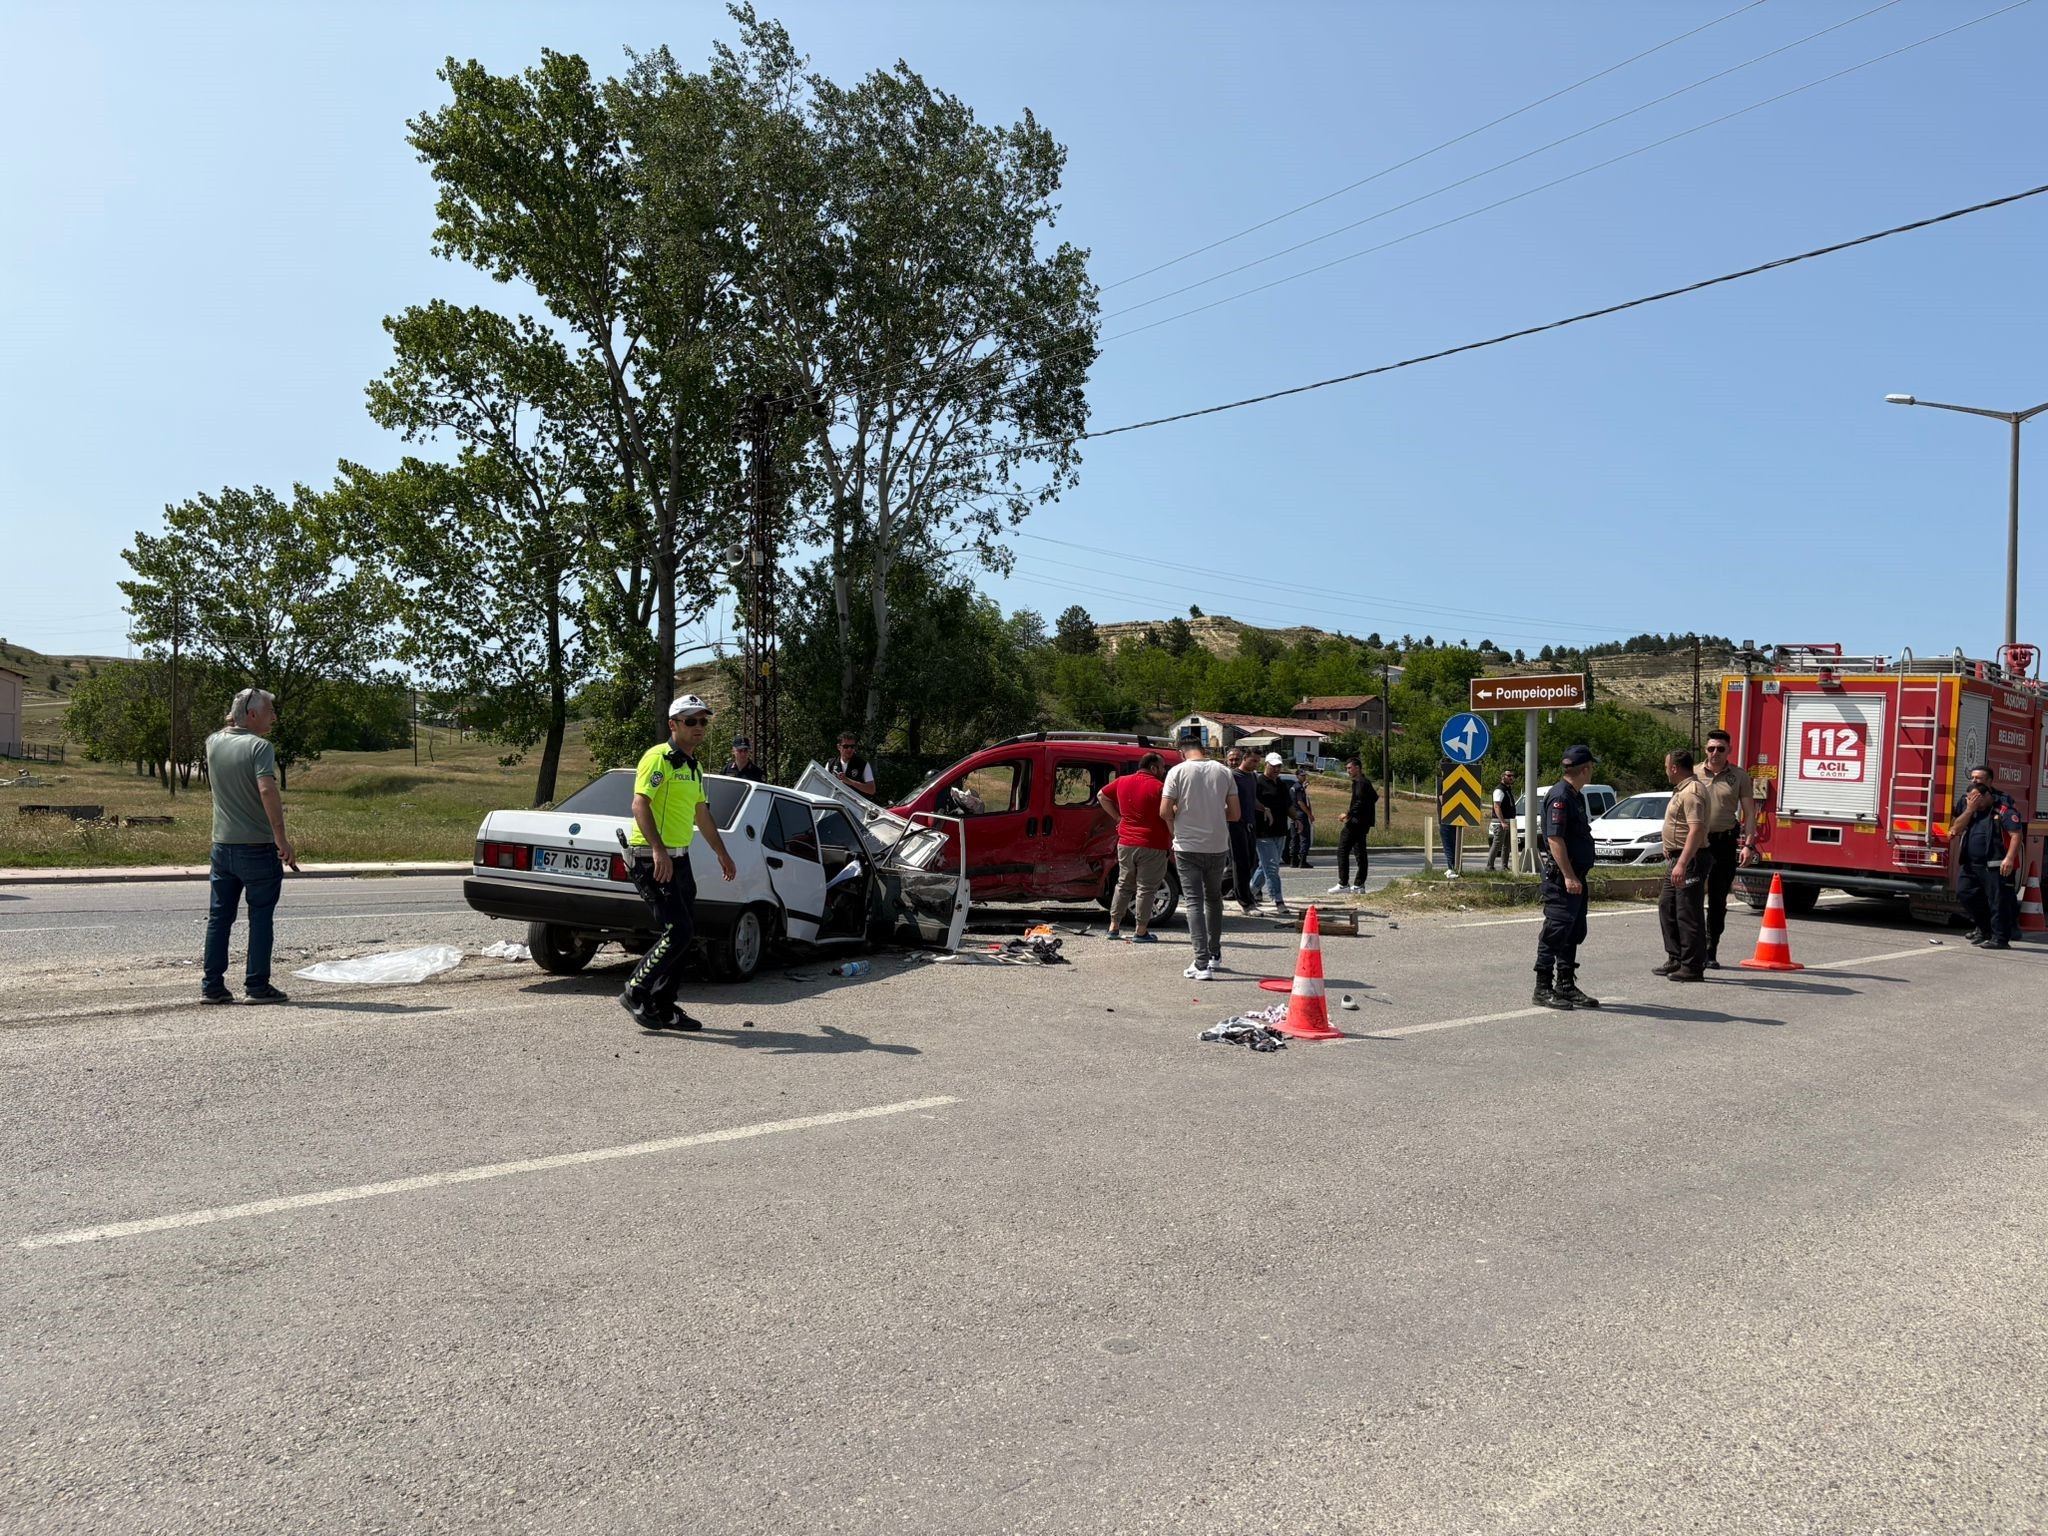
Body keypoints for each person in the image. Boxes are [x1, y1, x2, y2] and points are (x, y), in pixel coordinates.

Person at [622, 695, 739, 1030]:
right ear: (673, 725)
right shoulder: (658, 758)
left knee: (686, 934)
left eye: (703, 721)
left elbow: (702, 814)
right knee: (679, 930)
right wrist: (658, 850)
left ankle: (664, 1005)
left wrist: (722, 852)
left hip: (680, 858)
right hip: (652, 857)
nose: (699, 727)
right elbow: (639, 805)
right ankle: (636, 989)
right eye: (691, 721)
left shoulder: (694, 766)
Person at [201, 687, 299, 1005]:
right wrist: (281, 839)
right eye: (271, 710)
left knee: (220, 917)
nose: (275, 716)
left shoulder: (213, 741)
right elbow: (267, 790)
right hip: (256, 845)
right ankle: (257, 985)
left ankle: (212, 986)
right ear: (253, 714)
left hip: (222, 843)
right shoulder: (260, 747)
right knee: (260, 917)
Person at [1161, 728, 1240, 981]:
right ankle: (1215, 955)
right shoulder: (1224, 771)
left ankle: (1201, 962)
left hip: (1187, 845)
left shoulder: (1177, 771)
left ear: (1180, 752)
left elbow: (1164, 811)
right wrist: (1214, 814)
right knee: (1214, 899)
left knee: (1193, 901)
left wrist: (1178, 819)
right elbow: (1235, 814)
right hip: (1217, 844)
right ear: (1203, 749)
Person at [1533, 744, 1600, 1010]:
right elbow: (1555, 838)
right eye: (1591, 767)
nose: (1591, 771)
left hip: (1576, 878)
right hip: (1563, 880)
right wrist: (1569, 876)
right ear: (1585, 769)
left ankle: (1565, 985)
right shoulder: (1560, 796)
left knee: (1572, 932)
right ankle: (1542, 987)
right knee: (1555, 931)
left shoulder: (1575, 795)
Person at [1693, 729, 1756, 966]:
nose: (1715, 753)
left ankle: (1711, 949)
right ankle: (1692, 947)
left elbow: (1750, 813)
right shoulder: (1694, 773)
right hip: (1697, 842)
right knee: (1692, 896)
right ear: (1705, 750)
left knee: (1718, 899)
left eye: (1720, 749)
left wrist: (1748, 844)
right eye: (1711, 748)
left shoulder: (1739, 776)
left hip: (1724, 842)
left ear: (1729, 750)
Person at [1653, 748, 1714, 981]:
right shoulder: (1682, 789)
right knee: (1667, 906)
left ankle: (1692, 966)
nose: (1666, 770)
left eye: (1666, 766)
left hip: (1690, 859)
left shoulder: (1692, 791)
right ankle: (1676, 957)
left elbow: (1697, 830)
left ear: (1675, 768)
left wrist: (1683, 862)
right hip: (1678, 857)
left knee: (1688, 912)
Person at [1096, 752, 1171, 943]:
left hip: (1126, 841)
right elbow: (1169, 814)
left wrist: (1118, 818)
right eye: (1162, 768)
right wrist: (1174, 837)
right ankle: (1141, 930)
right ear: (1153, 768)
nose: (1163, 771)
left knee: (1123, 884)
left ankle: (1114, 927)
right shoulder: (1160, 787)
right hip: (1152, 843)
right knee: (1146, 888)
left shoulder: (1122, 781)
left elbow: (1101, 796)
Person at [1949, 763, 2025, 949]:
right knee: (1965, 893)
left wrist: (2008, 858)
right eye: (1972, 778)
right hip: (1970, 863)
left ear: (1989, 786)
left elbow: (2016, 834)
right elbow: (1955, 829)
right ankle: (1984, 929)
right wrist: (1970, 809)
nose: (1974, 781)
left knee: (1998, 901)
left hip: (1995, 863)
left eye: (1979, 779)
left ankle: (2000, 938)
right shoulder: (1968, 803)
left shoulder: (2003, 805)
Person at [1247, 752, 1294, 916]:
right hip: (1263, 832)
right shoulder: (1258, 782)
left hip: (1280, 831)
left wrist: (1298, 820)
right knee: (1272, 867)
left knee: (1265, 866)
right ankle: (1278, 900)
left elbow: (1288, 805)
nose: (1276, 769)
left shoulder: (1281, 784)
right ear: (1265, 765)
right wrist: (1264, 810)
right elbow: (1252, 802)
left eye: (1278, 766)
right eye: (1273, 766)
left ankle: (1249, 894)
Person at [1330, 758, 1378, 894]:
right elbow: (1374, 797)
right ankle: (1359, 885)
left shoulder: (1361, 783)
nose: (1348, 771)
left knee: (1342, 850)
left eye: (1349, 768)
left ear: (1358, 768)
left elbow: (1361, 801)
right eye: (1347, 768)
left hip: (1356, 822)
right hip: (1363, 822)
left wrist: (1348, 814)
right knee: (1360, 852)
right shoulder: (1364, 782)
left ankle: (1343, 883)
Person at [1223, 747, 1261, 914]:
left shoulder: (1252, 776)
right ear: (1245, 758)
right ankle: (1245, 901)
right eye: (1253, 760)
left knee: (1251, 862)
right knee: (1240, 864)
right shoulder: (1231, 776)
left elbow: (1252, 800)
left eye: (1257, 761)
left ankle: (1215, 890)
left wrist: (1264, 809)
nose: (1255, 764)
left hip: (1250, 824)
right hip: (1235, 824)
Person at [827, 733, 875, 798]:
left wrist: (850, 782)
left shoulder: (863, 764)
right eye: (845, 746)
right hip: (836, 805)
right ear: (839, 747)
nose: (849, 749)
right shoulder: (831, 764)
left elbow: (871, 789)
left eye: (852, 746)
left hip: (855, 806)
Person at [1486, 769, 1516, 872]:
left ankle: (1504, 866)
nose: (1511, 777)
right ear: (1503, 777)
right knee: (1497, 844)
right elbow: (1497, 806)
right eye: (1509, 775)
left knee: (1507, 846)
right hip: (1500, 823)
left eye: (1512, 776)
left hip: (1509, 822)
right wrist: (1502, 822)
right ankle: (1489, 866)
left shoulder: (1508, 789)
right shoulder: (1499, 790)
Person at [1287, 767, 1315, 867]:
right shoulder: (1299, 788)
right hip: (1301, 816)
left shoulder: (1294, 787)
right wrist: (1309, 814)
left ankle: (1293, 860)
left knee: (1294, 839)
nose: (1304, 777)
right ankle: (1302, 861)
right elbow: (1300, 802)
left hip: (1293, 815)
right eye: (1302, 775)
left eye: (1304, 775)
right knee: (1304, 838)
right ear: (1297, 776)